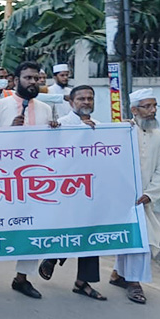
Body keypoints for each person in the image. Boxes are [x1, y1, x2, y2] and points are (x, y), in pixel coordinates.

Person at [0, 61, 59, 299]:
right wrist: (8, 129)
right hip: (2, 179)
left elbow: (52, 144)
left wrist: (55, 130)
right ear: (16, 81)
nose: (33, 82)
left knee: (34, 227)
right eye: (28, 78)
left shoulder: (45, 109)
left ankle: (22, 278)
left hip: (33, 180)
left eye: (36, 78)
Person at [37, 85, 106, 301]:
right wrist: (54, 131)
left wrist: (125, 130)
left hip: (91, 188)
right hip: (66, 188)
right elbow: (49, 153)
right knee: (68, 227)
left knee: (90, 232)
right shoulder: (61, 125)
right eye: (81, 99)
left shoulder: (101, 127)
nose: (86, 102)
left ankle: (83, 282)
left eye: (90, 98)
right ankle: (53, 256)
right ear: (71, 102)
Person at [109, 88, 160, 304]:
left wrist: (150, 193)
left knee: (142, 238)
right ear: (134, 110)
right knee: (127, 236)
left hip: (143, 198)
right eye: (147, 106)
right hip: (120, 196)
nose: (153, 110)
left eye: (154, 106)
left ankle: (127, 277)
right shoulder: (122, 131)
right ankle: (131, 281)